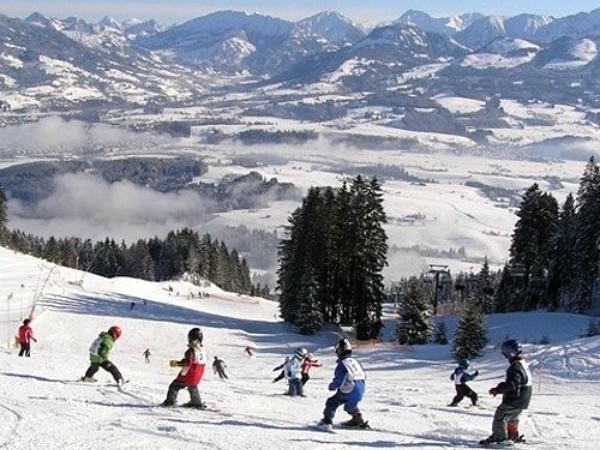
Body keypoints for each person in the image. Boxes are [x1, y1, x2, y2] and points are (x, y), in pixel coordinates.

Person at [480, 339, 533, 445]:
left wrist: (498, 389)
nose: (505, 357)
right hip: (524, 398)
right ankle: (512, 435)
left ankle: (500, 438)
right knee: (512, 416)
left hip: (515, 398)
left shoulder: (515, 367)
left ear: (510, 353)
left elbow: (512, 384)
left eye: (505, 354)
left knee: (501, 415)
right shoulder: (523, 364)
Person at [316, 338, 369, 431]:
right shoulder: (355, 362)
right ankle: (358, 419)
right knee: (350, 405)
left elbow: (339, 380)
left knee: (332, 402)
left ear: (339, 351)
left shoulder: (342, 364)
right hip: (361, 388)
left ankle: (326, 422)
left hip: (350, 388)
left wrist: (332, 386)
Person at [161, 327, 207, 408]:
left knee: (174, 386)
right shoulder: (202, 350)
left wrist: (178, 364)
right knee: (192, 386)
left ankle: (170, 402)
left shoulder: (191, 351)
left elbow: (188, 362)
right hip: (198, 374)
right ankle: (196, 402)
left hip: (189, 374)